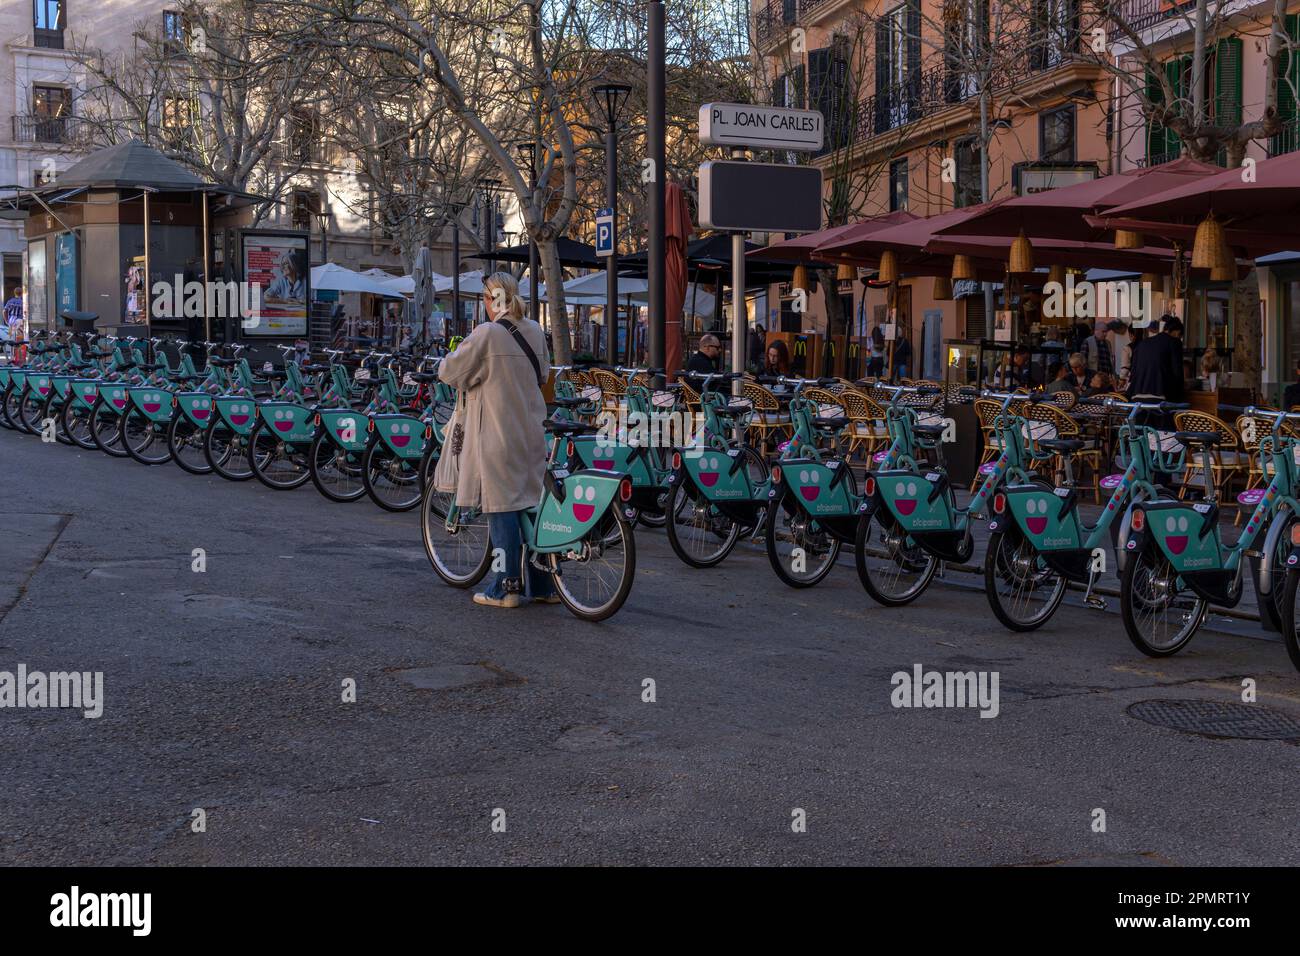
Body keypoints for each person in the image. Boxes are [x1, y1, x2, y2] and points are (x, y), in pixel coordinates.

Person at [435, 271, 556, 609]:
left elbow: (451, 372)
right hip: (531, 432)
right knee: (530, 504)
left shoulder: (487, 333)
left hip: (497, 434)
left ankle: (506, 587)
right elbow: (543, 375)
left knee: (501, 507)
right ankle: (544, 585)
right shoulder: (534, 331)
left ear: (491, 301)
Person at [1126, 314, 1184, 401]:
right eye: (1180, 337)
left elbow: (1133, 372)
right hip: (1160, 397)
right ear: (1177, 332)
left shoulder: (1142, 344)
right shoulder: (1174, 342)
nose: (1179, 339)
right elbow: (1177, 372)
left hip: (1136, 396)